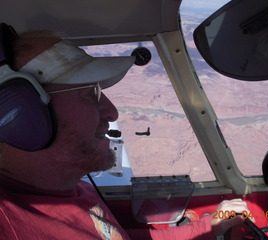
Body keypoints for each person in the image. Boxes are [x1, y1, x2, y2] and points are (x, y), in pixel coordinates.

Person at [0, 29, 252, 240]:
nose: (111, 112)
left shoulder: (70, 188)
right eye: (90, 94)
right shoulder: (11, 223)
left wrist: (207, 227)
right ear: (21, 115)